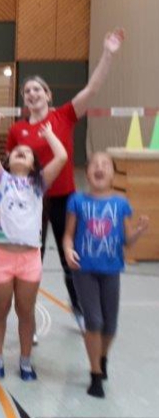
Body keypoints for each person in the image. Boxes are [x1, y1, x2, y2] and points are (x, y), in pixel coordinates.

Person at [6, 28, 125, 331]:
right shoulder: (17, 130)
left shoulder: (64, 116)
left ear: (48, 95)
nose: (32, 93)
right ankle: (26, 320)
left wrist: (108, 54)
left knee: (69, 257)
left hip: (65, 200)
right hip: (31, 203)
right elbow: (11, 169)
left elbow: (93, 88)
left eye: (37, 89)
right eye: (27, 91)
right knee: (30, 260)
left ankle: (80, 310)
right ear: (24, 99)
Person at [0, 107, 67, 380]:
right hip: (1, 257)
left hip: (29, 259)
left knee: (26, 311)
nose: (21, 151)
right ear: (7, 161)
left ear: (33, 165)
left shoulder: (38, 184)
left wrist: (49, 135)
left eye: (28, 152)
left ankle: (25, 360)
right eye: (16, 151)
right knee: (0, 310)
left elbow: (62, 156)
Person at [63, 152, 150, 398]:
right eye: (94, 164)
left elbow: (127, 241)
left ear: (113, 174)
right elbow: (68, 234)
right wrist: (68, 249)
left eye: (105, 165)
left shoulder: (121, 203)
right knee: (94, 321)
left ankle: (102, 357)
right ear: (87, 172)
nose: (99, 168)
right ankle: (95, 374)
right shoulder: (77, 200)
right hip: (84, 270)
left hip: (111, 270)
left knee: (110, 325)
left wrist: (139, 231)